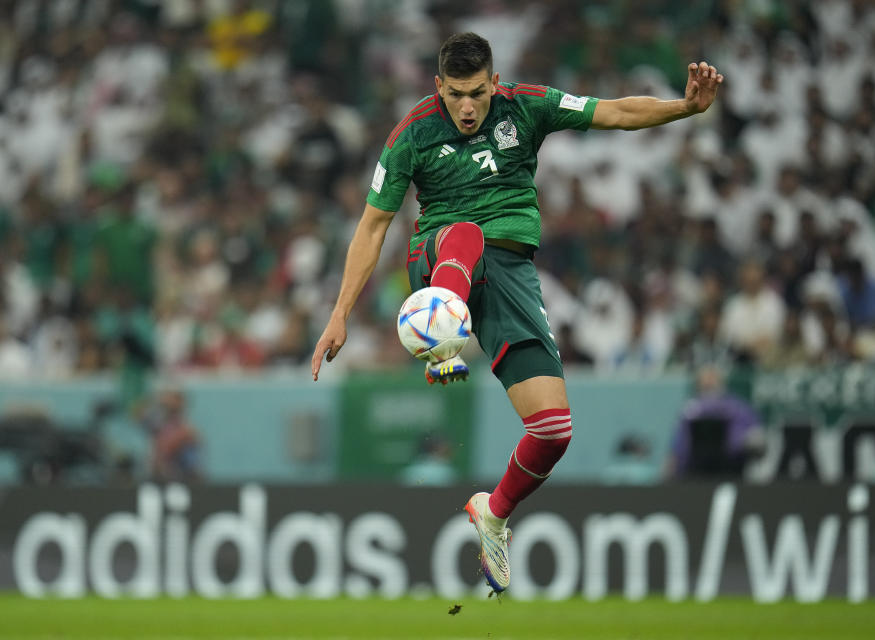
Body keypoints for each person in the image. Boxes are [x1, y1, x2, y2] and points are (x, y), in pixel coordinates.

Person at [310, 32, 723, 593]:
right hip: (438, 261)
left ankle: (495, 513)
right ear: (439, 87)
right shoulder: (411, 133)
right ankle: (443, 331)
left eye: (477, 93)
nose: (467, 106)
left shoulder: (528, 105)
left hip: (509, 276)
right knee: (463, 233)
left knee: (553, 431)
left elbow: (617, 112)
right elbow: (374, 225)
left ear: (494, 82)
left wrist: (685, 107)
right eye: (455, 94)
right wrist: (340, 314)